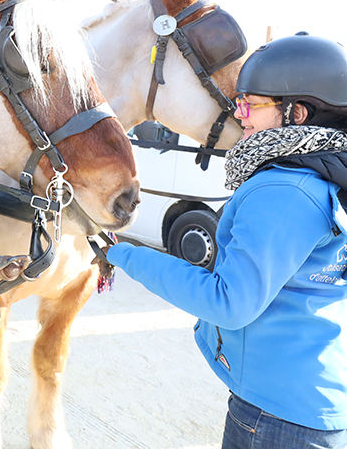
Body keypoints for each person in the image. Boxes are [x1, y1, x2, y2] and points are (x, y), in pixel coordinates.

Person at [105, 32, 347, 448]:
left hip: (277, 419)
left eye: (251, 104)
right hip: (304, 401)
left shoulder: (285, 191)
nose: (241, 115)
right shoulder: (326, 177)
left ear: (298, 114)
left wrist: (126, 255)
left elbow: (229, 302)